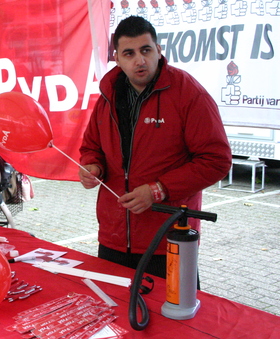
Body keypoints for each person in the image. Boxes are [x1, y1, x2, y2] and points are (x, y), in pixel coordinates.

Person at [78, 15, 231, 279]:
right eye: (129, 53)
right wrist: (92, 166)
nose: (140, 60)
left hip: (168, 239)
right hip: (113, 237)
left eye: (146, 50)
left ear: (159, 50)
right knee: (112, 314)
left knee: (175, 318)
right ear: (117, 58)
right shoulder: (107, 96)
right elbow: (91, 146)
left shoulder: (189, 94)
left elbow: (216, 160)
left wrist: (158, 190)